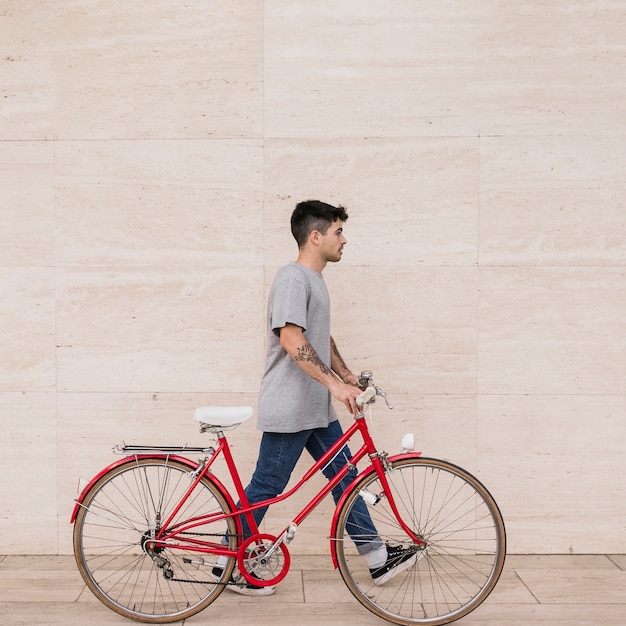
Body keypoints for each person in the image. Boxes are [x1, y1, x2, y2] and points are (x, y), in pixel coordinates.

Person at [214, 200, 417, 595]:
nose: (345, 239)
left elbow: (317, 335)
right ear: (316, 236)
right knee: (267, 486)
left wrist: (344, 374)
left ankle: (377, 558)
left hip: (314, 408)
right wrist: (334, 386)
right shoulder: (293, 278)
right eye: (339, 231)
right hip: (292, 405)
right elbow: (291, 339)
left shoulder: (313, 281)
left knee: (345, 477)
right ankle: (229, 562)